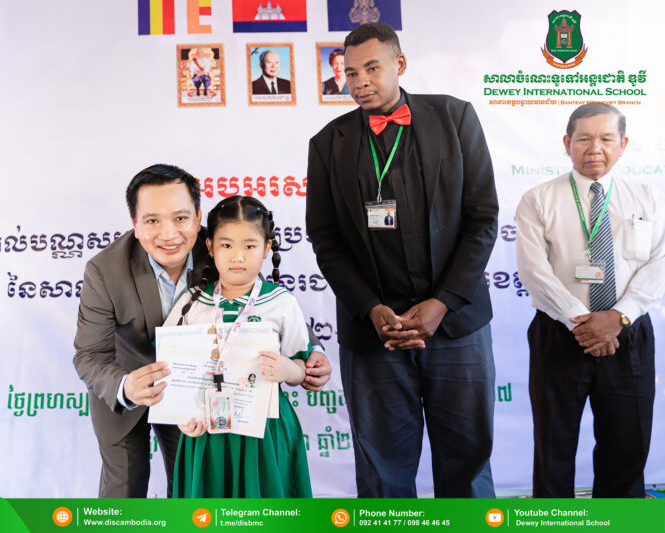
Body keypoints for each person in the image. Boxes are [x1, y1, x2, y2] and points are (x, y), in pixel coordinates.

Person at [305, 23, 498, 498]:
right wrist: (371, 308)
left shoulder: (454, 117)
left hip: (455, 326)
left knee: (468, 467)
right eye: (351, 73)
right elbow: (326, 239)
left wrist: (442, 302)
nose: (360, 82)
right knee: (382, 476)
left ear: (400, 64)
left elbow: (482, 219)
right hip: (375, 336)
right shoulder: (327, 143)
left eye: (371, 68)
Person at [73, 164, 331, 498]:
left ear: (198, 218)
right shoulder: (104, 270)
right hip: (128, 379)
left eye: (180, 218)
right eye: (152, 221)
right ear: (135, 224)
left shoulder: (225, 245)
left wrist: (313, 350)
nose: (169, 234)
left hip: (196, 391)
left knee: (189, 486)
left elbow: (261, 302)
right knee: (122, 492)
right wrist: (125, 386)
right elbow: (89, 355)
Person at [515, 103, 662, 498]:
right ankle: (553, 521)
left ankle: (617, 520)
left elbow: (660, 263)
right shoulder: (538, 199)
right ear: (567, 143)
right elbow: (533, 271)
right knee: (553, 445)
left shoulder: (648, 198)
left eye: (606, 139)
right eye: (584, 139)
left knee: (627, 445)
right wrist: (583, 322)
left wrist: (618, 316)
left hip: (627, 332)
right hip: (559, 333)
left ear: (623, 145)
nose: (595, 148)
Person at [163, 195, 312, 497]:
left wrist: (288, 370)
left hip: (265, 428)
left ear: (267, 248)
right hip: (207, 431)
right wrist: (182, 416)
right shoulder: (192, 302)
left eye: (250, 246)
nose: (238, 257)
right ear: (210, 247)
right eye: (227, 245)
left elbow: (301, 370)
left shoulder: (281, 303)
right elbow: (170, 369)